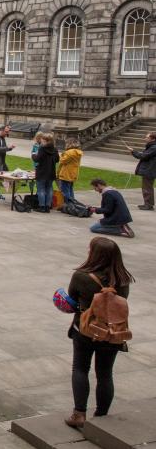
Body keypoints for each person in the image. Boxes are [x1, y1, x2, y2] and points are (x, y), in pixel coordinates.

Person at [63, 237, 134, 429]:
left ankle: (79, 413)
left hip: (85, 330)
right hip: (112, 332)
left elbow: (72, 300)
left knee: (80, 368)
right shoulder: (122, 279)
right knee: (105, 373)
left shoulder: (81, 276)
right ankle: (102, 415)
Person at [33, 132, 60, 213]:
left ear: (45, 140)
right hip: (51, 171)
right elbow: (57, 160)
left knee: (41, 189)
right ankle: (48, 206)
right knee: (49, 189)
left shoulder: (42, 148)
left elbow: (37, 159)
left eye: (42, 139)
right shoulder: (55, 149)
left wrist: (33, 155)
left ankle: (42, 206)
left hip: (42, 171)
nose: (41, 140)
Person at [129, 131, 156, 211]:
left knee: (147, 188)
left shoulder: (153, 147)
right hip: (149, 169)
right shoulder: (151, 146)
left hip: (149, 170)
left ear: (152, 139)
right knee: (147, 188)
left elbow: (143, 156)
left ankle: (148, 205)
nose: (145, 138)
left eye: (147, 137)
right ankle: (147, 204)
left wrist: (133, 152)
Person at [58, 139, 83, 204]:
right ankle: (73, 203)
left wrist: (62, 155)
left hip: (66, 173)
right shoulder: (78, 152)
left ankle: (68, 204)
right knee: (70, 189)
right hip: (73, 173)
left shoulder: (69, 152)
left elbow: (62, 161)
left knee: (65, 190)